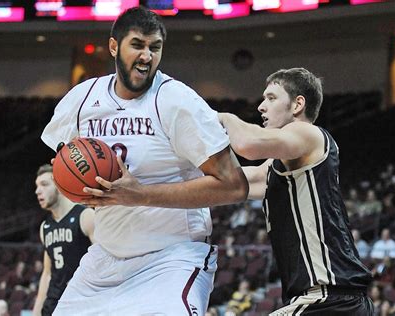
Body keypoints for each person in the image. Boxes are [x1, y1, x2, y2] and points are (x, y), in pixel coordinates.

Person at [40, 6, 247, 315]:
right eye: (137, 45)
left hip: (171, 260)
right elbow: (64, 161)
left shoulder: (178, 101)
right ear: (114, 47)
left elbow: (234, 186)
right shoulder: (82, 99)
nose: (147, 56)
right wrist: (82, 191)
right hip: (105, 260)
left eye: (155, 47)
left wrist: (140, 194)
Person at [218, 68, 373, 314]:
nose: (261, 106)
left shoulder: (307, 132)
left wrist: (223, 118)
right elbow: (230, 183)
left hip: (328, 298)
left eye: (271, 98)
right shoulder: (275, 168)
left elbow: (247, 144)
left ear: (297, 104)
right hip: (333, 300)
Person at [32, 164, 95, 316]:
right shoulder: (45, 227)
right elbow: (47, 273)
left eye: (44, 184)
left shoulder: (86, 216)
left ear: (60, 186)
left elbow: (105, 261)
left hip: (80, 301)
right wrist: (36, 310)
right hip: (53, 302)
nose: (37, 191)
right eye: (37, 186)